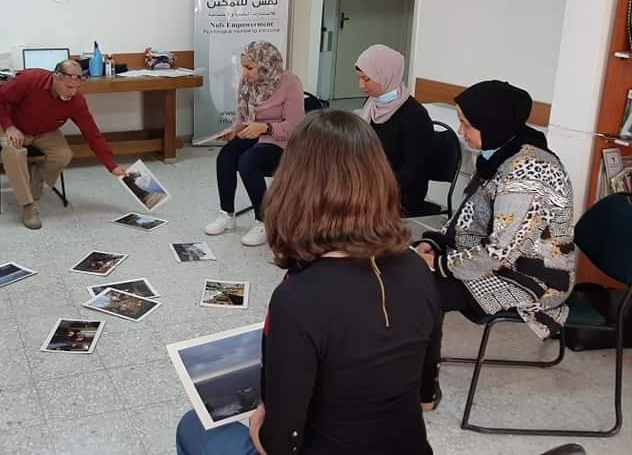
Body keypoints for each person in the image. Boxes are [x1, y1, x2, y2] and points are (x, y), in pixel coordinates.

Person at [178, 109, 438, 454]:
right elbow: (426, 401)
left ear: (294, 187)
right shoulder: (419, 269)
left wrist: (259, 422)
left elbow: (278, 445)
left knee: (192, 427)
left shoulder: (299, 298)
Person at [413, 80, 575, 411]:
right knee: (411, 269)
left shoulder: (528, 171)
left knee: (423, 290)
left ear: (493, 123)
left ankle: (423, 393)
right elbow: (467, 217)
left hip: (533, 277)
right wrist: (435, 243)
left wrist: (439, 265)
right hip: (501, 261)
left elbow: (501, 252)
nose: (461, 132)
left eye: (467, 124)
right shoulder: (501, 153)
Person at [0, 59, 126, 229]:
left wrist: (112, 166)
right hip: (13, 124)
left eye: (76, 88)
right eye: (68, 87)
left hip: (44, 130)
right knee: (14, 153)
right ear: (56, 77)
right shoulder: (30, 79)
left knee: (63, 155)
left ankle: (37, 176)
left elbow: (92, 134)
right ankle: (28, 206)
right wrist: (9, 126)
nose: (72, 92)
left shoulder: (76, 100)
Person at [204, 41, 304, 246]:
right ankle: (227, 214)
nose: (245, 72)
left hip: (282, 142)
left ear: (265, 66)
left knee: (248, 162)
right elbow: (241, 116)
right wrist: (234, 130)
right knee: (226, 156)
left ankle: (264, 221)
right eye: (243, 67)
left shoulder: (290, 82)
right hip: (254, 134)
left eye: (249, 67)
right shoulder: (247, 81)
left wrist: (265, 127)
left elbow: (296, 126)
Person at [354, 44, 433, 214]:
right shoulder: (372, 105)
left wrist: (374, 188)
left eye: (366, 79)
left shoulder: (414, 115)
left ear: (385, 76)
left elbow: (412, 170)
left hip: (401, 192)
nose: (361, 85)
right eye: (360, 78)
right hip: (372, 185)